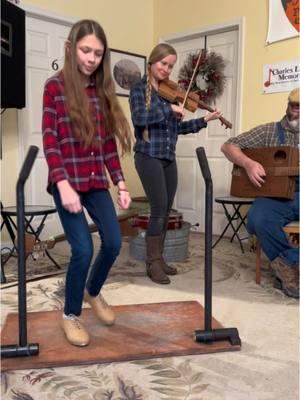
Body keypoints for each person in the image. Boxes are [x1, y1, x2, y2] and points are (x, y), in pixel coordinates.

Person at [42, 20, 132, 346]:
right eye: (85, 50)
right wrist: (61, 183)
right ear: (70, 48)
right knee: (82, 249)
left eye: (97, 52)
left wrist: (120, 183)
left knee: (112, 243)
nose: (91, 58)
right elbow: (50, 141)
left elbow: (108, 145)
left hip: (94, 182)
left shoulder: (102, 92)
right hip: (67, 182)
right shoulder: (54, 88)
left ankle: (92, 291)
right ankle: (70, 314)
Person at [129, 43, 222, 285]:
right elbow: (139, 118)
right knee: (159, 208)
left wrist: (204, 119)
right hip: (147, 155)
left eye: (170, 66)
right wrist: (168, 110)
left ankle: (159, 259)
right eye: (163, 64)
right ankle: (152, 263)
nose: (167, 69)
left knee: (166, 209)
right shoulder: (139, 88)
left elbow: (178, 129)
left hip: (168, 157)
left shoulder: (169, 91)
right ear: (152, 62)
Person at [221, 88, 299, 298]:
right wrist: (248, 163)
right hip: (276, 195)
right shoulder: (268, 131)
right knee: (258, 218)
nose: (298, 112)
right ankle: (291, 266)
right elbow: (228, 146)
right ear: (287, 106)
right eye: (295, 107)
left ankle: (286, 266)